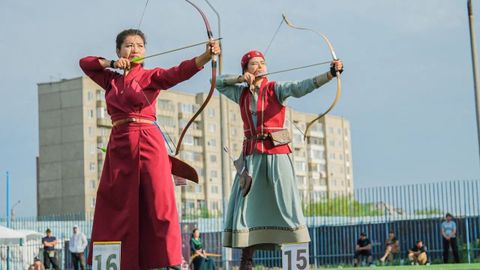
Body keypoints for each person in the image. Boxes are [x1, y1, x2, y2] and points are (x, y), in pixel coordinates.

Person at [79, 29, 220, 270]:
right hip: (119, 144)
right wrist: (112, 64)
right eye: (128, 45)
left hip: (147, 140)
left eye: (140, 45)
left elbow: (178, 72)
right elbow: (86, 63)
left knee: (159, 200)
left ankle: (172, 260)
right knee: (116, 204)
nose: (134, 49)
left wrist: (206, 57)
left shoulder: (151, 76)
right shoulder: (110, 79)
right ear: (118, 51)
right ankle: (123, 261)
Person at [216, 49, 343, 270]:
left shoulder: (276, 89)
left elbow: (301, 87)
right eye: (253, 64)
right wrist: (239, 80)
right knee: (246, 205)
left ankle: (297, 263)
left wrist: (330, 74)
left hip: (277, 154)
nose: (259, 66)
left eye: (262, 63)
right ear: (245, 70)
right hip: (251, 157)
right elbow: (217, 82)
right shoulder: (241, 94)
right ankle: (246, 261)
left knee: (287, 202)